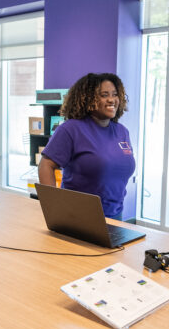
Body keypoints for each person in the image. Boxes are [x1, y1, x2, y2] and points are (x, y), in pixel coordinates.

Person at [38, 72, 135, 220]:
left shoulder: (122, 131)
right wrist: (52, 205)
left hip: (116, 215)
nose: (112, 100)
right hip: (79, 216)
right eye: (104, 95)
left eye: (115, 94)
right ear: (88, 99)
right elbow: (46, 165)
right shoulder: (71, 129)